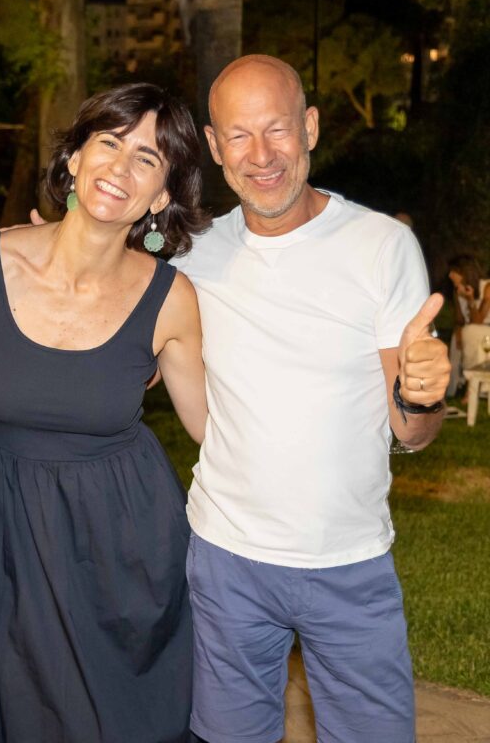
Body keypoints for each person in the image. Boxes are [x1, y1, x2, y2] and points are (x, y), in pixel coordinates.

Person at [171, 55, 451, 743]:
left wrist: (421, 396)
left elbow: (412, 433)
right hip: (226, 558)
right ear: (213, 147)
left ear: (311, 128)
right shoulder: (192, 253)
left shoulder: (383, 245)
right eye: (239, 135)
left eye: (278, 129)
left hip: (350, 562)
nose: (261, 155)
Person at [0, 83, 209, 743]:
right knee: (25, 708)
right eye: (109, 143)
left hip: (130, 545)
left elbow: (213, 430)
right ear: (75, 158)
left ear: (161, 196)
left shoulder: (172, 298)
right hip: (11, 528)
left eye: (148, 159)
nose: (121, 167)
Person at [446, 255, 490, 396]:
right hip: (470, 329)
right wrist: (458, 332)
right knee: (457, 338)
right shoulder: (458, 291)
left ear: (464, 272)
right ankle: (454, 387)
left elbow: (478, 321)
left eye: (453, 271)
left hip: (486, 331)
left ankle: (473, 386)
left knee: (470, 332)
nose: (450, 275)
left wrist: (470, 299)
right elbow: (459, 320)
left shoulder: (487, 287)